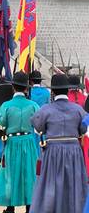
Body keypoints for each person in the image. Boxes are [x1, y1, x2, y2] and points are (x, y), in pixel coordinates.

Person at [29, 74, 87, 213]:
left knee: (51, 183)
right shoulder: (78, 110)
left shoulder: (45, 110)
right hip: (74, 151)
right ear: (67, 90)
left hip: (53, 151)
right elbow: (83, 129)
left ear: (53, 91)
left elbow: (38, 127)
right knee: (73, 183)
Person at [0, 71, 39, 213]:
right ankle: (29, 206)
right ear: (26, 88)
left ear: (13, 87)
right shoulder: (33, 105)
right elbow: (38, 126)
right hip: (28, 142)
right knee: (29, 173)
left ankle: (10, 207)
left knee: (10, 173)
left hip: (12, 142)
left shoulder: (6, 105)